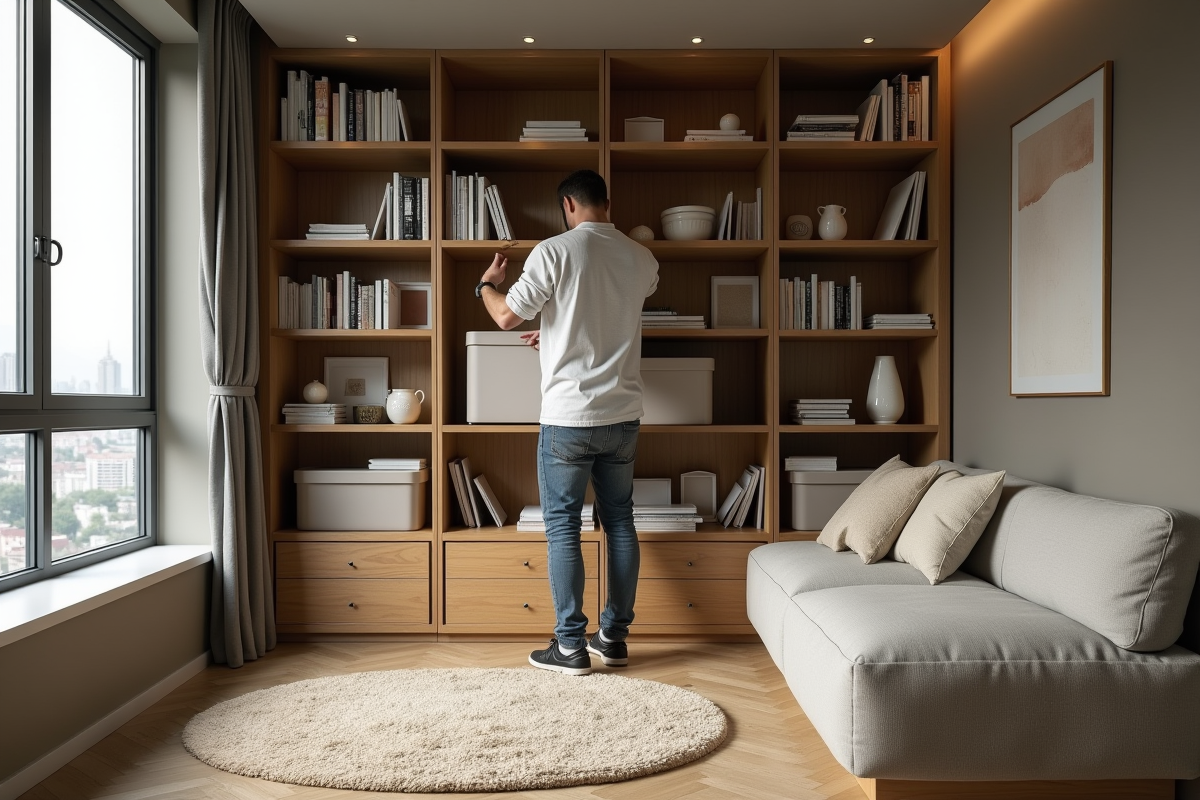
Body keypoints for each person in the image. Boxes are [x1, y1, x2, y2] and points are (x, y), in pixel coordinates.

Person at [476, 169, 659, 676]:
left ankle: (571, 647)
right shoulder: (641, 258)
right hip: (623, 416)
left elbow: (507, 317)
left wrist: (485, 285)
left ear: (567, 205)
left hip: (569, 418)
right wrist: (555, 333)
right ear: (606, 201)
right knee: (619, 519)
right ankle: (614, 639)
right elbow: (605, 313)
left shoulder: (553, 251)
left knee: (563, 527)